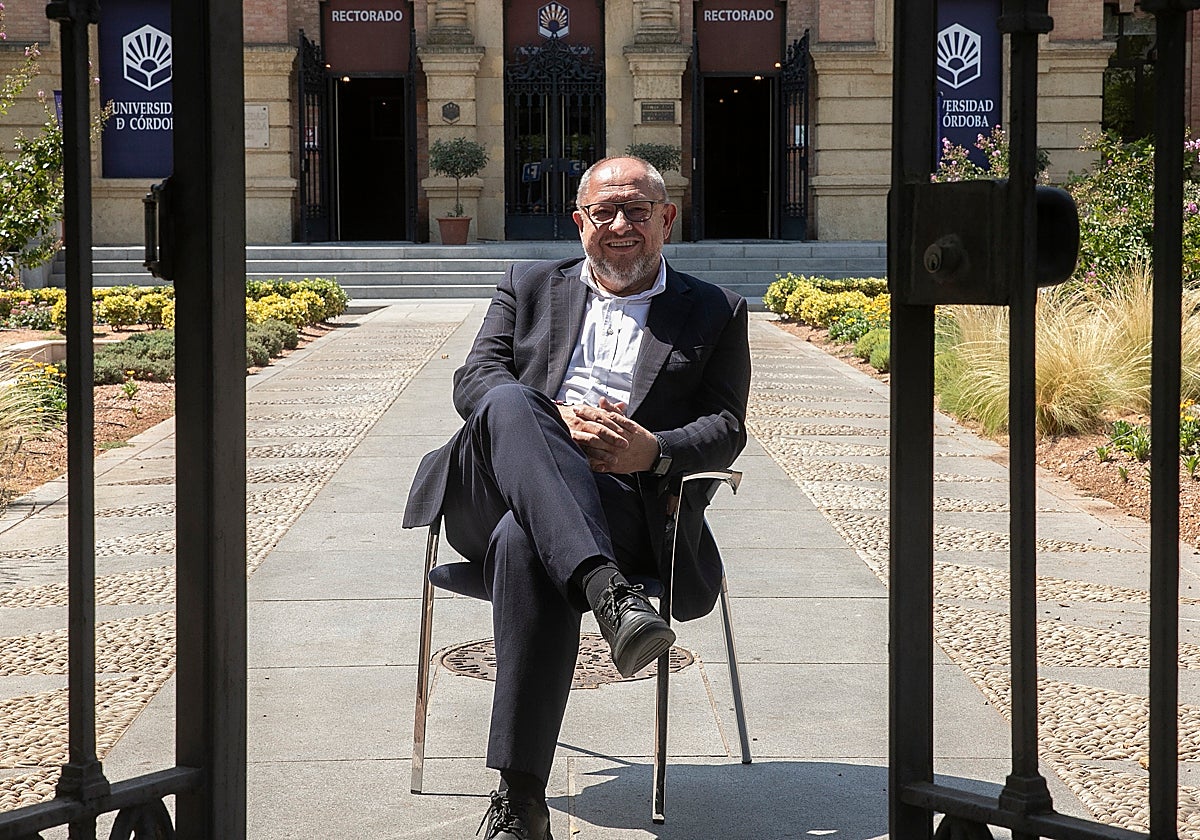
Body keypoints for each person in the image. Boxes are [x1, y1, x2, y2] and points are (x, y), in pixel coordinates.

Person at [403, 156, 750, 840]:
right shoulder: (527, 284)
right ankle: (610, 594)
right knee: (511, 400)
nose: (621, 226)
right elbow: (474, 379)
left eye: (637, 212)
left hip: (622, 503)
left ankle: (521, 800)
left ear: (666, 219)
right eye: (604, 212)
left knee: (526, 542)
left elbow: (726, 426)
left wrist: (653, 450)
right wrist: (552, 421)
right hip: (491, 489)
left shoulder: (715, 310)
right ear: (579, 221)